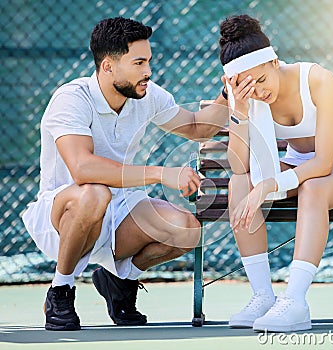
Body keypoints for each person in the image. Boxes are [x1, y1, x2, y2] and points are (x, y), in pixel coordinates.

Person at [22, 16, 229, 331]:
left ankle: (118, 279)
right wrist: (160, 173)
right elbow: (83, 168)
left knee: (187, 229)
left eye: (148, 61)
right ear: (108, 66)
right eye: (139, 62)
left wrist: (228, 93)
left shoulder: (148, 95)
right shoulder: (72, 98)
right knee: (94, 191)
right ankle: (61, 289)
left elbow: (198, 128)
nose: (148, 71)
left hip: (119, 210)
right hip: (63, 213)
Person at [219, 14, 333, 332]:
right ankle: (263, 297)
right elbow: (239, 166)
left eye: (263, 81)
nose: (259, 92)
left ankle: (295, 302)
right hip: (300, 165)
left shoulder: (318, 79)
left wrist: (268, 184)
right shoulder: (245, 95)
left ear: (275, 62)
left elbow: (323, 164)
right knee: (238, 183)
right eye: (250, 88)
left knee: (314, 188)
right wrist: (238, 111)